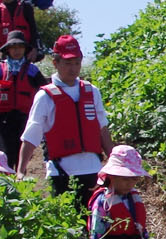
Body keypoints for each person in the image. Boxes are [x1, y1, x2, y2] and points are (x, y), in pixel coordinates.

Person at [16, 35, 113, 205]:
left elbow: (102, 130)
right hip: (61, 172)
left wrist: (113, 164)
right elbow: (31, 135)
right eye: (68, 63)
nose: (73, 68)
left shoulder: (92, 91)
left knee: (96, 226)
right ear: (56, 63)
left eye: (77, 62)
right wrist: (20, 170)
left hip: (94, 170)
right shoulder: (45, 96)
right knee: (67, 228)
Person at [0, 31, 48, 169]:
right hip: (5, 118)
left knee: (22, 151)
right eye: (13, 47)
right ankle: (8, 183)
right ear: (8, 49)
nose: (17, 50)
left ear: (25, 49)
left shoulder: (32, 70)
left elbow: (45, 90)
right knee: (6, 152)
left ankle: (20, 180)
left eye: (20, 47)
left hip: (25, 117)